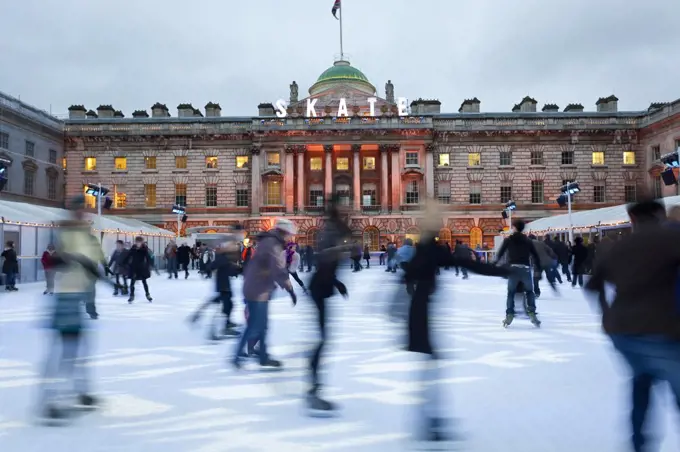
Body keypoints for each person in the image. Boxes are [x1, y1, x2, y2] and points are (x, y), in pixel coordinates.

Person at [403, 200, 512, 445]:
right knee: (431, 366)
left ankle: (429, 420)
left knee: (430, 365)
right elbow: (465, 264)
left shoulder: (423, 247)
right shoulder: (431, 248)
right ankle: (430, 422)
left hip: (418, 309)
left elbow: (408, 274)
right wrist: (500, 271)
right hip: (421, 313)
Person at [584, 199, 680, 452]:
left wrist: (606, 315)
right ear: (660, 214)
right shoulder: (672, 239)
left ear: (632, 219)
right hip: (663, 329)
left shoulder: (618, 246)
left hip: (624, 331)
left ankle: (638, 444)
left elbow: (592, 285)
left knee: (642, 382)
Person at [38, 195, 108, 422]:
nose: (84, 213)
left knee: (77, 349)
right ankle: (50, 400)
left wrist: (108, 278)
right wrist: (73, 259)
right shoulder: (66, 233)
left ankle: (79, 393)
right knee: (66, 351)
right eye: (80, 210)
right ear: (73, 211)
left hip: (76, 295)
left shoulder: (85, 236)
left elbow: (91, 263)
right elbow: (61, 260)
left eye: (84, 210)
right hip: (65, 295)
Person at [232, 219, 297, 370]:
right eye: (289, 235)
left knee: (260, 325)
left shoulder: (270, 241)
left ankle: (261, 357)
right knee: (256, 325)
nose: (290, 238)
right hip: (257, 289)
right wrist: (290, 289)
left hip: (258, 287)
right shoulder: (272, 244)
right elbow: (277, 268)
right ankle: (239, 357)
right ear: (284, 232)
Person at [306, 196, 350, 415]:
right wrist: (334, 281)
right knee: (322, 339)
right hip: (319, 288)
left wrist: (337, 282)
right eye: (342, 205)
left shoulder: (333, 228)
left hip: (321, 287)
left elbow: (328, 260)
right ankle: (313, 389)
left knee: (323, 339)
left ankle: (313, 384)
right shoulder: (332, 230)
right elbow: (325, 260)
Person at [189, 236, 242, 340]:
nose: (234, 248)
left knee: (227, 305)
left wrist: (239, 270)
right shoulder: (222, 257)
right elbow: (214, 265)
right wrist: (207, 270)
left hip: (225, 285)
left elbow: (229, 269)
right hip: (223, 286)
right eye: (232, 246)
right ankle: (214, 331)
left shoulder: (225, 257)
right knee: (224, 307)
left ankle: (223, 323)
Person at [495, 219, 542, 327]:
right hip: (525, 269)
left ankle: (510, 313)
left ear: (515, 227)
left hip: (513, 269)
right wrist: (538, 269)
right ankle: (531, 311)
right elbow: (535, 255)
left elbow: (500, 253)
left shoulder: (508, 240)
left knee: (511, 293)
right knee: (530, 292)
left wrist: (494, 265)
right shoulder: (528, 240)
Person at [125, 237, 156, 303]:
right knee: (132, 283)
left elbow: (148, 258)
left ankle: (148, 294)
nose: (138, 243)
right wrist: (125, 263)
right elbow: (128, 256)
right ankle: (131, 296)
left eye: (139, 242)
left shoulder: (144, 249)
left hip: (142, 268)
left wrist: (149, 265)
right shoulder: (133, 249)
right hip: (134, 268)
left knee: (144, 282)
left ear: (142, 243)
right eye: (137, 242)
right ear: (135, 242)